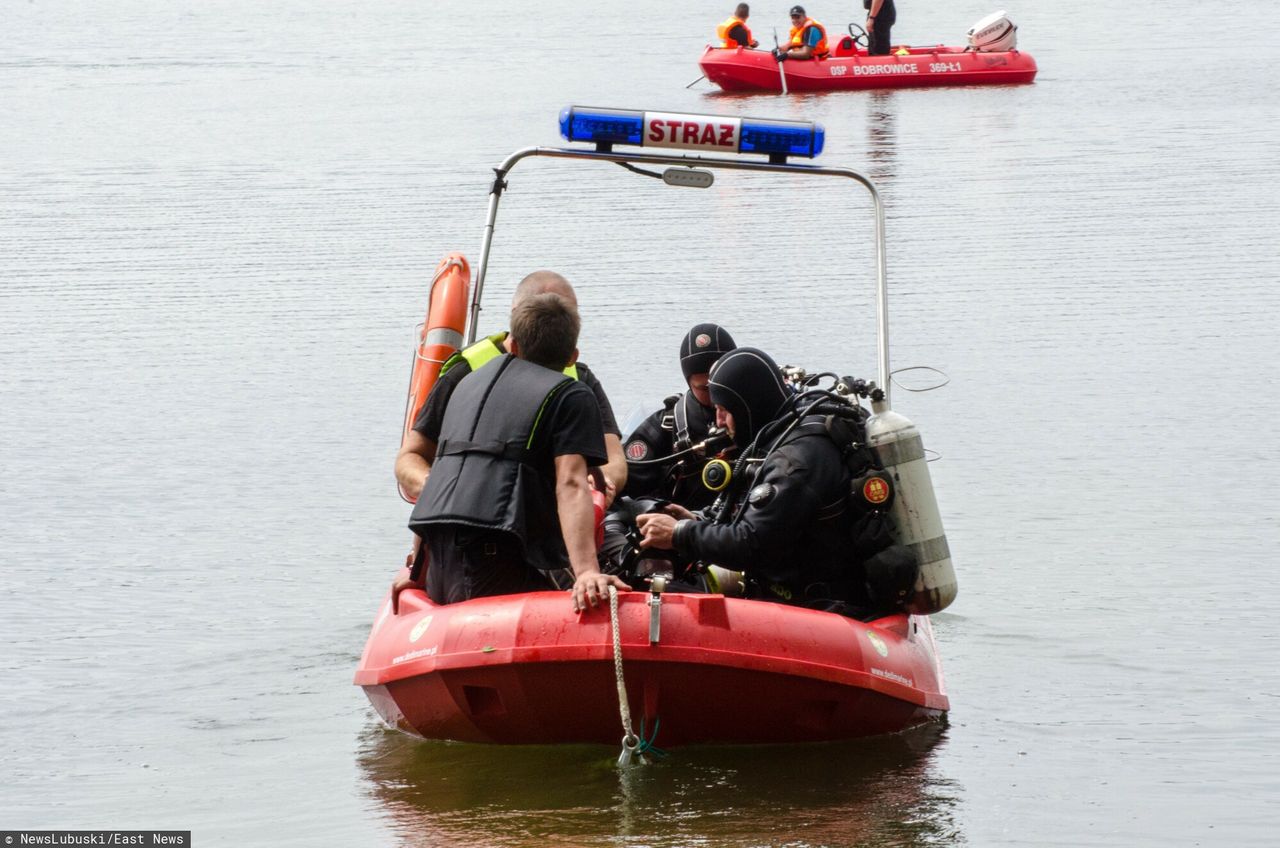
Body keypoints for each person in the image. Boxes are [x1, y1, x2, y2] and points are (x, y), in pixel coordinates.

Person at [635, 348, 907, 614]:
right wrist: (694, 520)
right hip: (796, 598)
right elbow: (749, 515)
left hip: (825, 609)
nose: (718, 421)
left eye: (723, 409)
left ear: (747, 408)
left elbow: (750, 544)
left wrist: (678, 534)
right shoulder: (779, 437)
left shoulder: (797, 461)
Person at [406, 293, 629, 613]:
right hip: (491, 564)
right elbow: (570, 484)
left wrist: (418, 572)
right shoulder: (572, 394)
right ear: (572, 357)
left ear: (513, 345)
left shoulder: (464, 384)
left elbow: (444, 474)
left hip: (438, 561)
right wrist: (587, 573)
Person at [394, 270, 628, 506]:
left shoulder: (580, 379)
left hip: (552, 514)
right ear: (517, 315)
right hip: (469, 512)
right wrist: (436, 487)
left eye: (565, 314)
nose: (554, 324)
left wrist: (603, 483)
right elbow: (410, 457)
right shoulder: (465, 372)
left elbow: (614, 458)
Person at [621, 323, 736, 512]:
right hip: (683, 531)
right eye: (705, 388)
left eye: (720, 384)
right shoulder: (666, 425)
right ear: (689, 383)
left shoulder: (760, 417)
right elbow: (628, 486)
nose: (715, 396)